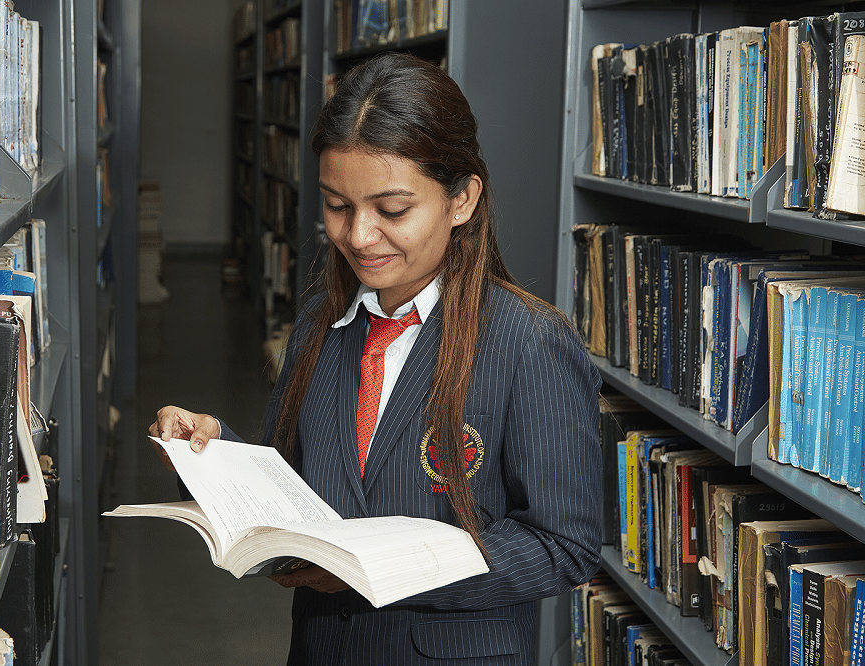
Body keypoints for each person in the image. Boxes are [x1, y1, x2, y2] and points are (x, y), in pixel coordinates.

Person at [149, 52, 602, 665]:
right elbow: (291, 487)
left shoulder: (529, 342)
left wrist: (386, 569)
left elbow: (563, 546)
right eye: (337, 205)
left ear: (463, 199)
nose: (359, 236)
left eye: (392, 210)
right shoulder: (318, 325)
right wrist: (212, 452)